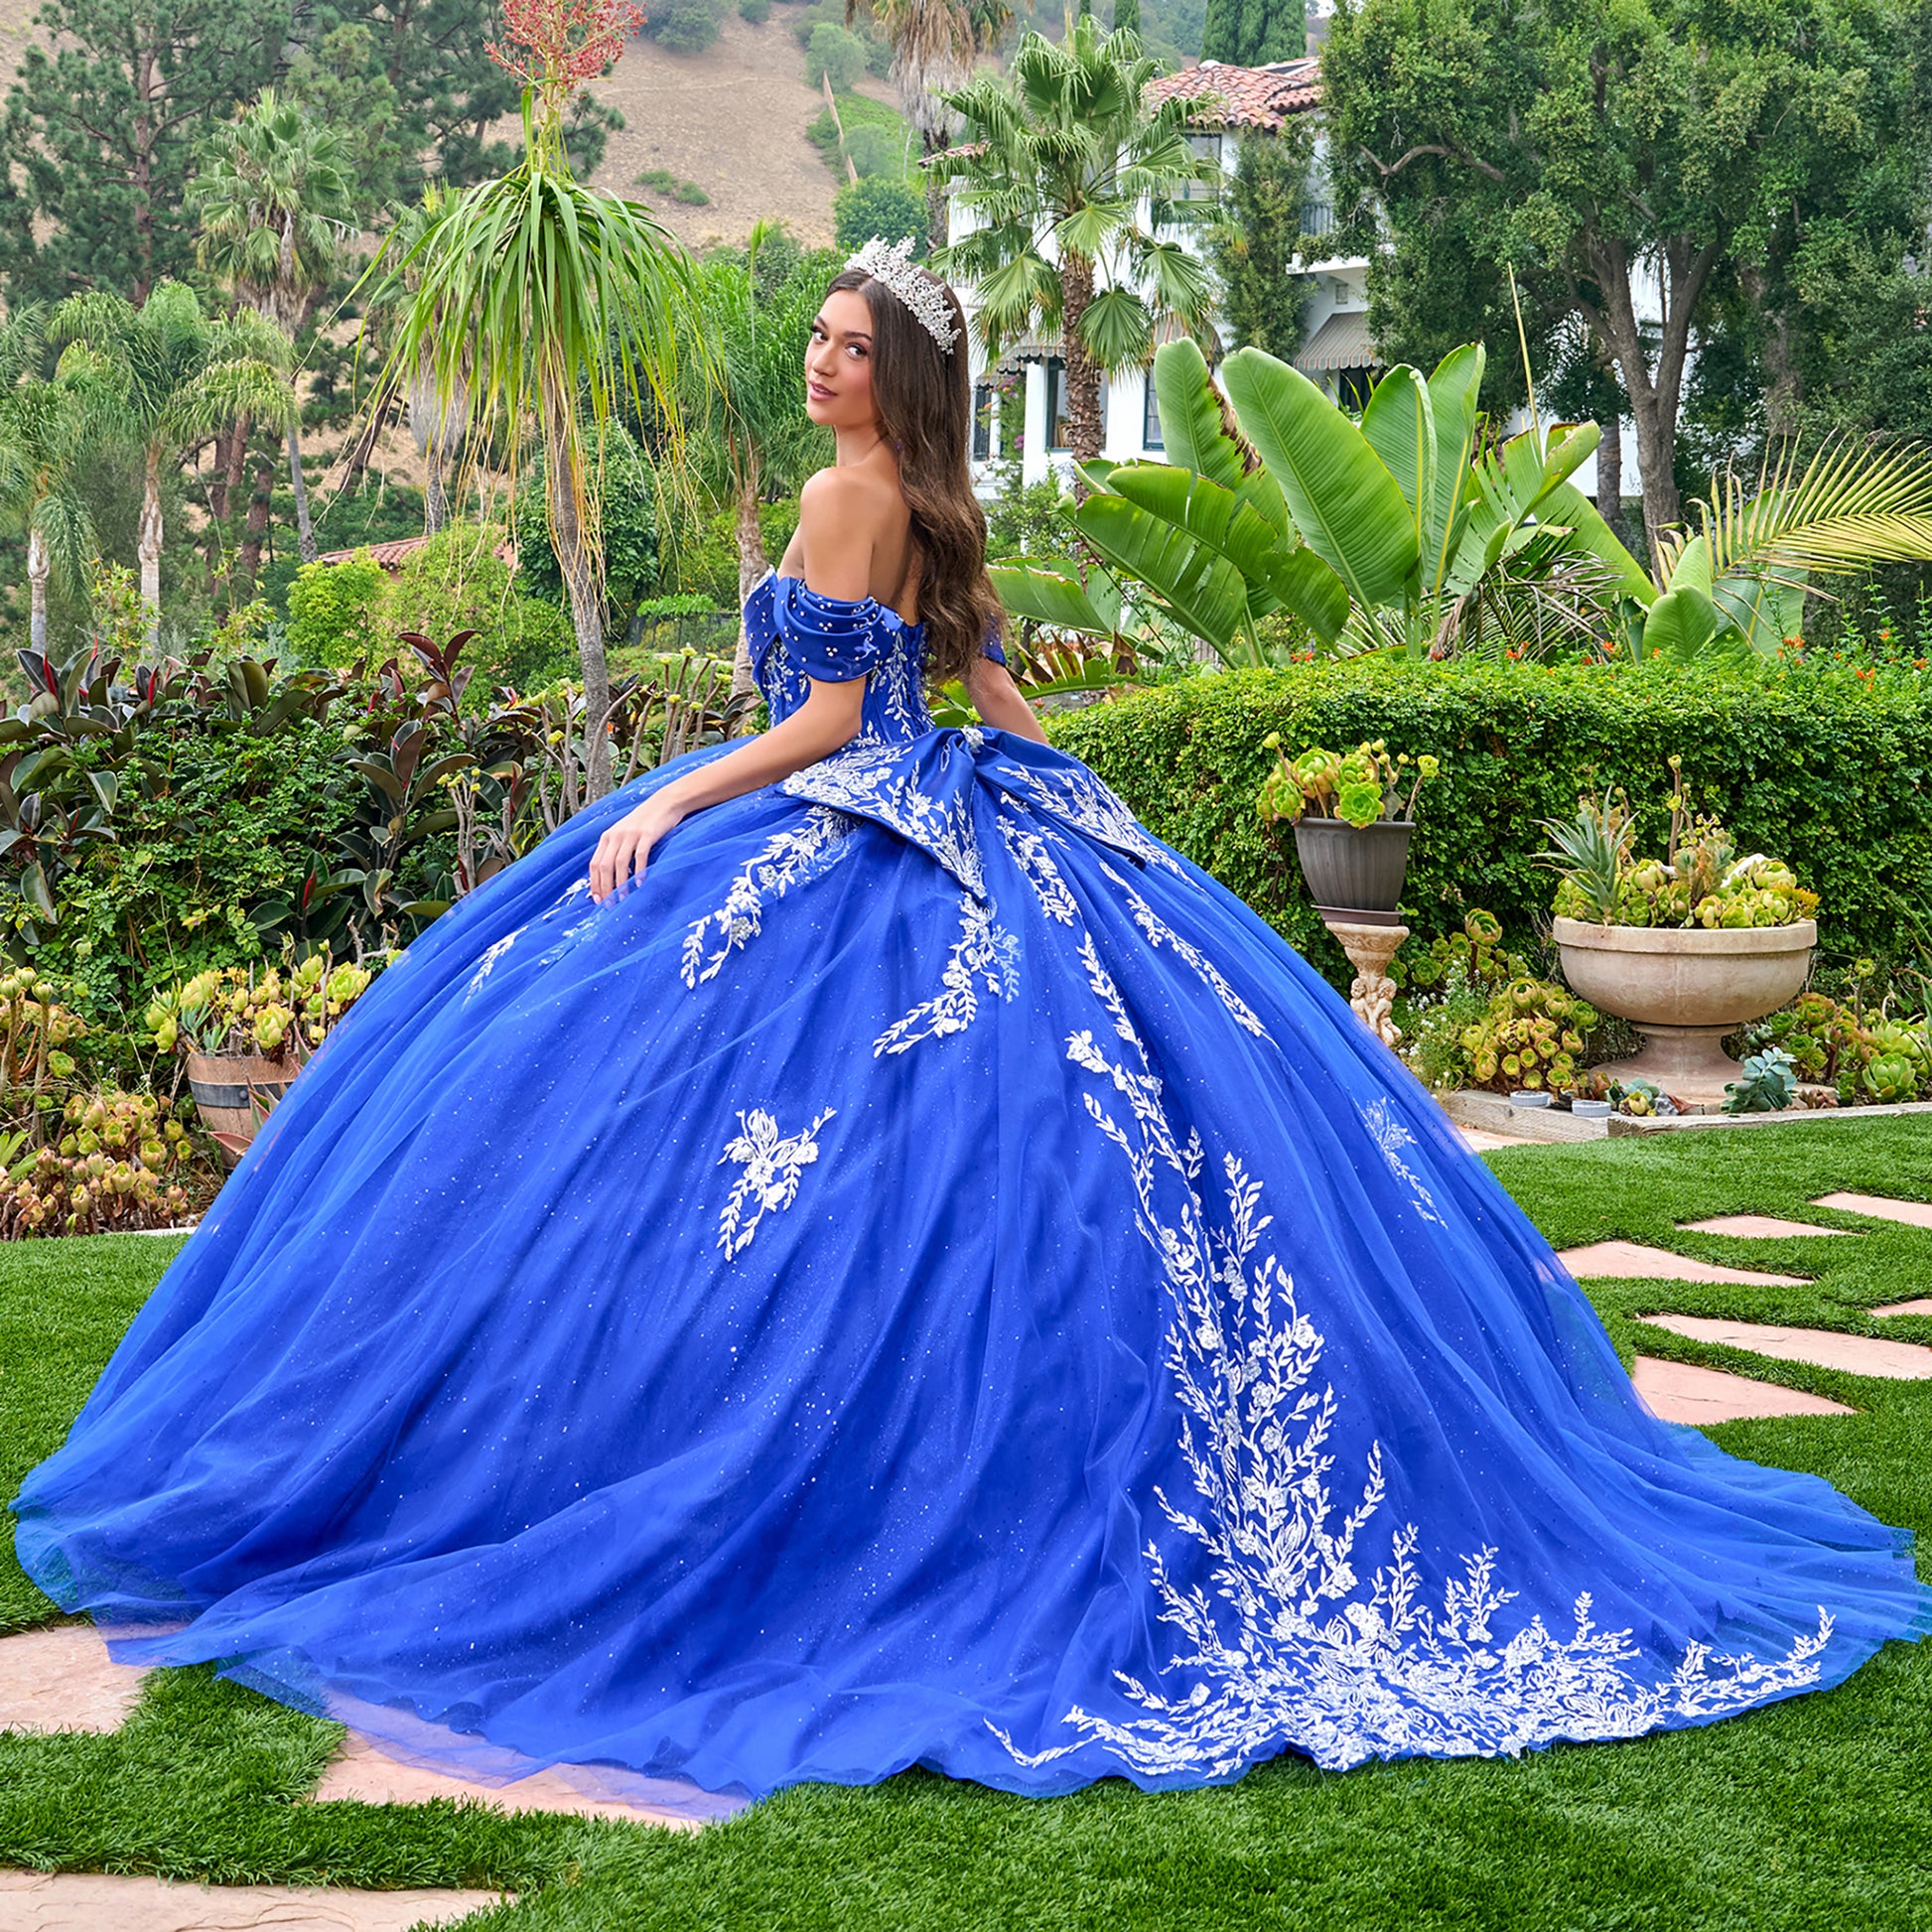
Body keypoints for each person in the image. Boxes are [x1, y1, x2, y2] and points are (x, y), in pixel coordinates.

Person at [15, 239, 1928, 1810]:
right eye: (824, 340)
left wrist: (676, 798)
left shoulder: (859, 494)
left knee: (731, 1153)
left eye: (850, 348)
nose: (822, 362)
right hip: (942, 813)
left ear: (898, 382)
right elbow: (981, 682)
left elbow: (844, 725)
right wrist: (1093, 810)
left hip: (849, 818)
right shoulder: (903, 491)